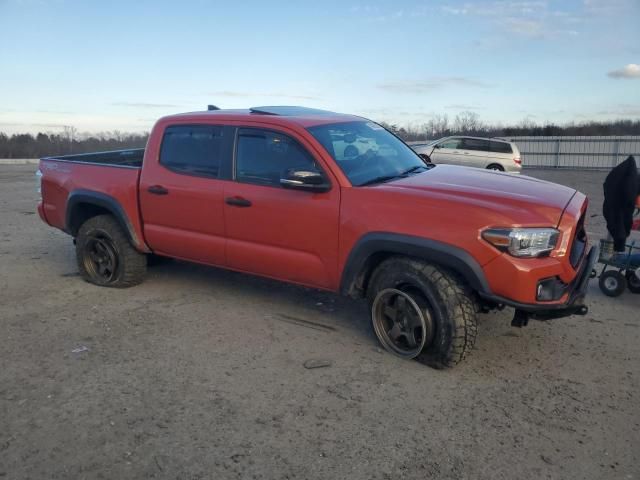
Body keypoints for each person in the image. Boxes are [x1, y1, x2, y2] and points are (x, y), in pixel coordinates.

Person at [602, 155, 640, 279]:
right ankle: (619, 254)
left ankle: (619, 255)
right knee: (618, 224)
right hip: (618, 203)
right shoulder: (629, 184)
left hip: (618, 202)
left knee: (619, 224)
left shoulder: (629, 181)